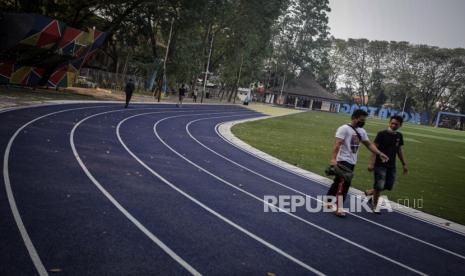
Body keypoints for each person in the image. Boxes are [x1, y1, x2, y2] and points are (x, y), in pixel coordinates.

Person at [326, 109, 389, 217]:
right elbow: (337, 144)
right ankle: (338, 208)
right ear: (354, 118)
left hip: (352, 161)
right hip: (343, 160)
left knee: (338, 182)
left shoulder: (361, 131)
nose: (362, 122)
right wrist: (333, 159)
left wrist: (379, 153)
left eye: (364, 120)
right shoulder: (344, 129)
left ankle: (328, 201)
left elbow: (369, 144)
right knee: (345, 184)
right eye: (361, 120)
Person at [365, 115, 408, 213]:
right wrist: (371, 163)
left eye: (396, 124)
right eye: (392, 123)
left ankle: (371, 192)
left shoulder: (399, 136)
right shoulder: (381, 134)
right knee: (379, 186)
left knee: (389, 186)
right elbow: (374, 149)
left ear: (400, 125)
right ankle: (375, 206)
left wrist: (404, 164)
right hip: (380, 165)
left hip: (392, 166)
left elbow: (399, 150)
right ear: (389, 123)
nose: (393, 125)